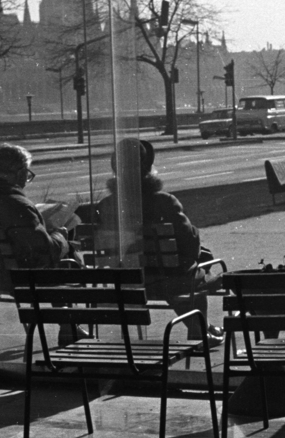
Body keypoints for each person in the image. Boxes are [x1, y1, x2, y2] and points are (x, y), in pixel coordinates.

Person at [95, 140, 223, 344]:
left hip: (128, 282)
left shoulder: (106, 206)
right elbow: (189, 243)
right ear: (148, 169)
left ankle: (203, 328)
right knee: (189, 273)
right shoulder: (164, 201)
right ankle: (199, 331)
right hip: (166, 281)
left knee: (172, 270)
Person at [0, 144, 76, 273]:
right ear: (21, 173)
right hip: (24, 279)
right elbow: (43, 253)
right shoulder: (20, 207)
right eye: (27, 174)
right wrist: (60, 237)